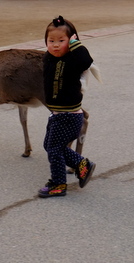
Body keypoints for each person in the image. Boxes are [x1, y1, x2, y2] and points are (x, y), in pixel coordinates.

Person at [38, 15, 96, 198]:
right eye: (51, 40)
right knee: (50, 145)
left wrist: (75, 44)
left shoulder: (73, 60)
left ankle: (58, 184)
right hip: (57, 115)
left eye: (61, 41)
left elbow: (86, 61)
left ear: (71, 43)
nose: (55, 45)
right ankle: (82, 165)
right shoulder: (50, 58)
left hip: (69, 116)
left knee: (54, 149)